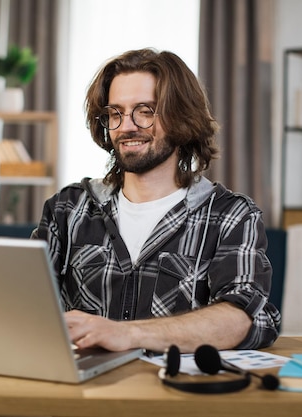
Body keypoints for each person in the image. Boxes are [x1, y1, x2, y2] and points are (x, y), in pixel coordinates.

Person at [33, 48, 281, 354]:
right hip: (86, 392)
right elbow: (24, 302)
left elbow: (240, 319)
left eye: (145, 111)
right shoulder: (67, 209)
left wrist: (127, 333)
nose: (126, 127)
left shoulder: (231, 215)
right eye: (115, 113)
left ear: (182, 117)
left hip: (175, 396)